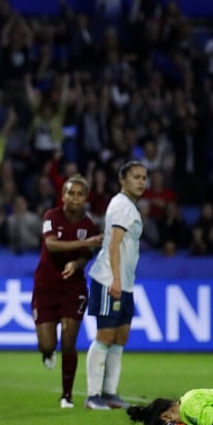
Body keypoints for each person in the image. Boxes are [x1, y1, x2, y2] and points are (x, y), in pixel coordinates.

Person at [31, 175, 103, 408]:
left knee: (69, 340)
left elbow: (87, 256)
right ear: (63, 196)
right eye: (70, 193)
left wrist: (77, 264)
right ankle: (46, 353)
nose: (75, 198)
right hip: (46, 285)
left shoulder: (88, 225)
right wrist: (86, 243)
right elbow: (51, 245)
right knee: (48, 344)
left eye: (79, 194)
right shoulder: (51, 217)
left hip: (73, 286)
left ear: (85, 198)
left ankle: (67, 396)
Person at [85, 160, 147, 410]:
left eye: (144, 177)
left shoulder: (129, 206)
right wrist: (117, 280)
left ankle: (109, 392)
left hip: (125, 283)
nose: (141, 181)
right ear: (123, 180)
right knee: (105, 336)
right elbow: (113, 244)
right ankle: (92, 395)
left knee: (121, 337)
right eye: (136, 177)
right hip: (110, 280)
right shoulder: (122, 205)